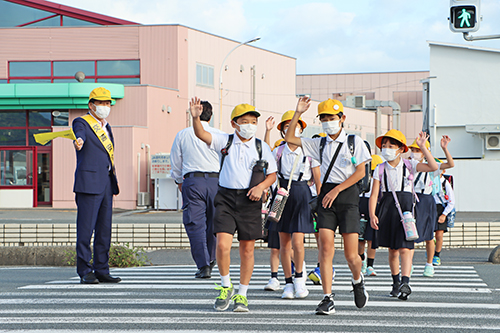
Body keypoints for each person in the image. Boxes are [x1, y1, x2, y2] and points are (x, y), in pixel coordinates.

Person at [190, 97, 277, 313]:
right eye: (245, 121)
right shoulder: (224, 141)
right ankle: (225, 285)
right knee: (222, 245)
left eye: (253, 122)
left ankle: (242, 294)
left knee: (247, 250)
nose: (249, 126)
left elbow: (272, 175)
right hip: (226, 198)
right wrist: (195, 118)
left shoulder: (261, 147)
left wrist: (261, 187)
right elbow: (201, 134)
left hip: (251, 200)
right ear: (234, 124)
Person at [285, 97, 371, 315]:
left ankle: (357, 280)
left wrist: (337, 190)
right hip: (326, 200)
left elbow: (360, 172)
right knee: (325, 249)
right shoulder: (319, 143)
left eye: (331, 118)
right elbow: (290, 138)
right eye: (323, 119)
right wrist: (297, 113)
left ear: (342, 118)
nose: (327, 122)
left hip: (348, 198)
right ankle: (327, 298)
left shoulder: (354, 142)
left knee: (352, 256)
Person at [369, 130, 438, 300]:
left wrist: (423, 146)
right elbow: (373, 194)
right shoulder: (379, 168)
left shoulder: (410, 164)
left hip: (406, 209)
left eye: (391, 146)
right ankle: (395, 282)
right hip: (386, 208)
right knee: (392, 251)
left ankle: (405, 282)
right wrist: (372, 214)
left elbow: (433, 166)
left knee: (406, 248)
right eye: (384, 146)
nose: (386, 149)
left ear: (401, 149)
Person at [266, 111, 321, 299]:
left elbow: (318, 179)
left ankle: (299, 279)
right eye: (287, 126)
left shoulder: (309, 150)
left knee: (298, 242)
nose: (292, 128)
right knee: (284, 243)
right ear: (282, 131)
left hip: (302, 193)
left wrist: (321, 202)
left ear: (301, 128)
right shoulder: (278, 151)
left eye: (296, 125)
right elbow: (271, 174)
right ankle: (288, 283)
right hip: (282, 195)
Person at [170, 100, 224, 279]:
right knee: (215, 223)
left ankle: (203, 265)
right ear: (211, 115)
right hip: (217, 181)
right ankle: (211, 258)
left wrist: (179, 180)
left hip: (194, 182)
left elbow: (176, 161)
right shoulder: (220, 135)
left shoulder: (183, 134)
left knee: (196, 224)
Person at [72, 87, 121, 284]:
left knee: (104, 229)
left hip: (107, 183)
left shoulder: (107, 127)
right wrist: (79, 140)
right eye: (101, 103)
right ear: (91, 105)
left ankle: (102, 269)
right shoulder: (82, 122)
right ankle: (85, 270)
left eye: (108, 103)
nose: (105, 107)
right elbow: (79, 133)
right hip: (88, 184)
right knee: (85, 230)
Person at [409, 135, 454, 277]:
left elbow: (450, 165)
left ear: (425, 150)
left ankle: (429, 264)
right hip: (410, 199)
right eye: (413, 149)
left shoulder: (432, 166)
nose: (414, 151)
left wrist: (444, 149)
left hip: (427, 200)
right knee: (410, 234)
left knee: (429, 235)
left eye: (418, 149)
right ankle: (408, 264)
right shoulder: (407, 164)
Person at [358, 154, 383, 276]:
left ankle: (370, 266)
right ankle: (362, 259)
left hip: (374, 207)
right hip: (360, 204)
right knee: (360, 239)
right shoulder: (359, 176)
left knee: (372, 238)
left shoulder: (380, 178)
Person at [433, 169, 455, 266]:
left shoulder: (445, 183)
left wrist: (444, 214)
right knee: (428, 235)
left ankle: (436, 255)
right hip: (429, 208)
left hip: (441, 209)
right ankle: (430, 250)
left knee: (439, 235)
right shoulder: (427, 180)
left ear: (443, 171)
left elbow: (451, 201)